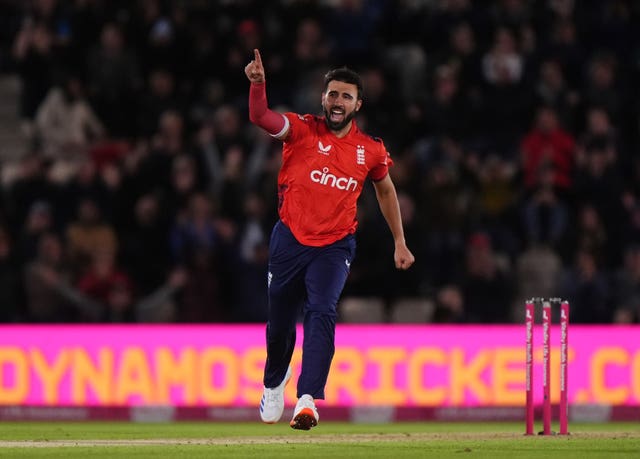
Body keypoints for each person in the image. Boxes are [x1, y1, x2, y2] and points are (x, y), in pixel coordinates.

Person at [244, 49, 415, 430]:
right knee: (280, 324)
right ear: (323, 98)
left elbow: (386, 192)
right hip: (289, 241)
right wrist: (258, 85)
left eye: (346, 96)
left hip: (335, 246)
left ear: (358, 104)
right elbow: (260, 116)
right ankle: (274, 382)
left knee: (322, 311)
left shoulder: (370, 150)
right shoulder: (301, 129)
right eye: (333, 95)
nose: (338, 102)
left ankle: (307, 399)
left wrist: (399, 241)